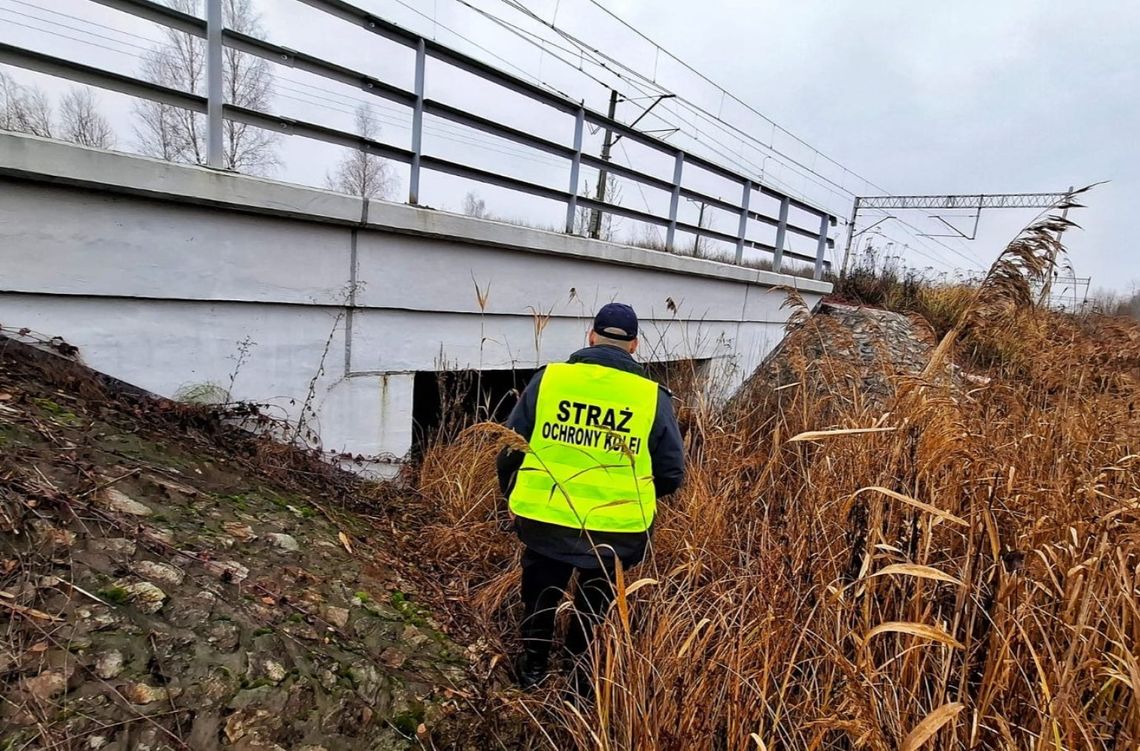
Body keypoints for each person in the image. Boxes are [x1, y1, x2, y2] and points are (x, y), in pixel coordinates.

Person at [496, 302, 686, 691]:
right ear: (634, 345)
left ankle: (533, 668)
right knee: (594, 604)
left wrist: (513, 495)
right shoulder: (652, 396)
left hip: (544, 518)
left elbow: (509, 449)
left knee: (541, 595)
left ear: (591, 335)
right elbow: (671, 473)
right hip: (616, 531)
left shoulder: (550, 379)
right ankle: (579, 676)